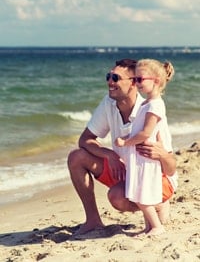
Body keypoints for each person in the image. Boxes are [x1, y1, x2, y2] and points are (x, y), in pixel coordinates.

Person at [67, 58, 177, 236]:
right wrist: (108, 154)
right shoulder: (108, 103)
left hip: (155, 179)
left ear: (134, 83)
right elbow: (85, 140)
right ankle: (93, 220)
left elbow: (171, 169)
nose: (110, 81)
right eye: (108, 76)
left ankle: (158, 203)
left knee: (117, 197)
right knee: (76, 157)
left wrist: (163, 155)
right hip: (125, 171)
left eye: (116, 78)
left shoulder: (150, 110)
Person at [115, 59, 177, 235]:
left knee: (143, 196)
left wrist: (125, 142)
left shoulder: (156, 105)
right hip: (139, 157)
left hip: (146, 159)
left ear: (156, 80)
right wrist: (126, 137)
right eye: (134, 79)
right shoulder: (146, 104)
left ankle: (157, 226)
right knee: (139, 193)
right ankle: (149, 227)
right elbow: (137, 130)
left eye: (140, 79)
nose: (136, 83)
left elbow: (145, 133)